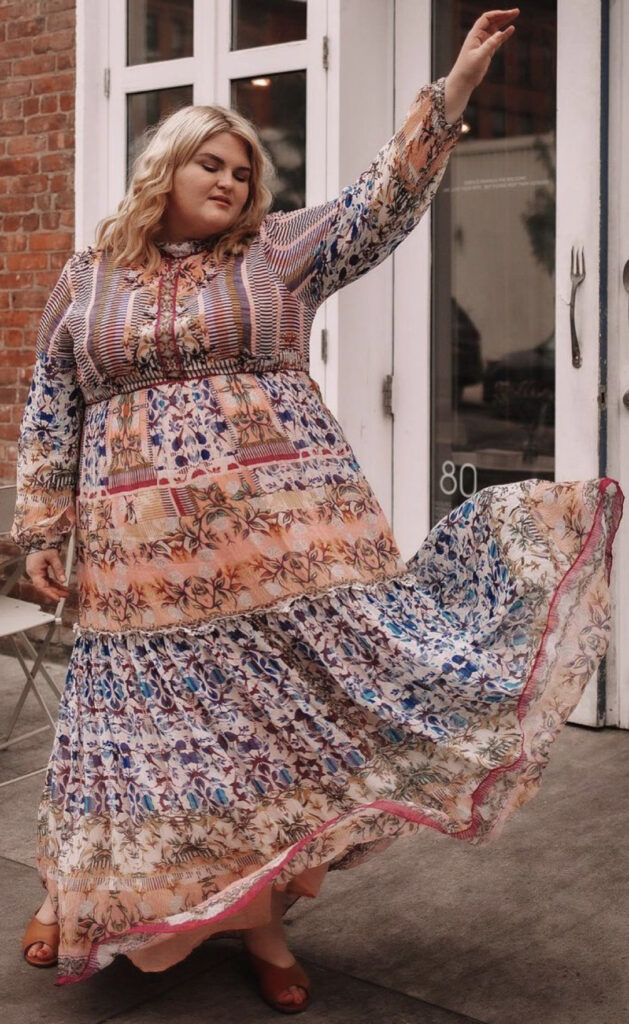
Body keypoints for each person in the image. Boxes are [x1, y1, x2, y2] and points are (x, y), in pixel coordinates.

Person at [10, 7, 622, 1015]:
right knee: (132, 731)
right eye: (210, 163)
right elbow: (52, 405)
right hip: (137, 563)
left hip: (278, 546)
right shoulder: (89, 278)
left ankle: (260, 924)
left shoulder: (275, 252)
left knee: (261, 741)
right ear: (165, 168)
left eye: (242, 171)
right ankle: (83, 894)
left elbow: (382, 200)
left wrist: (454, 90)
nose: (230, 182)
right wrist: (42, 527)